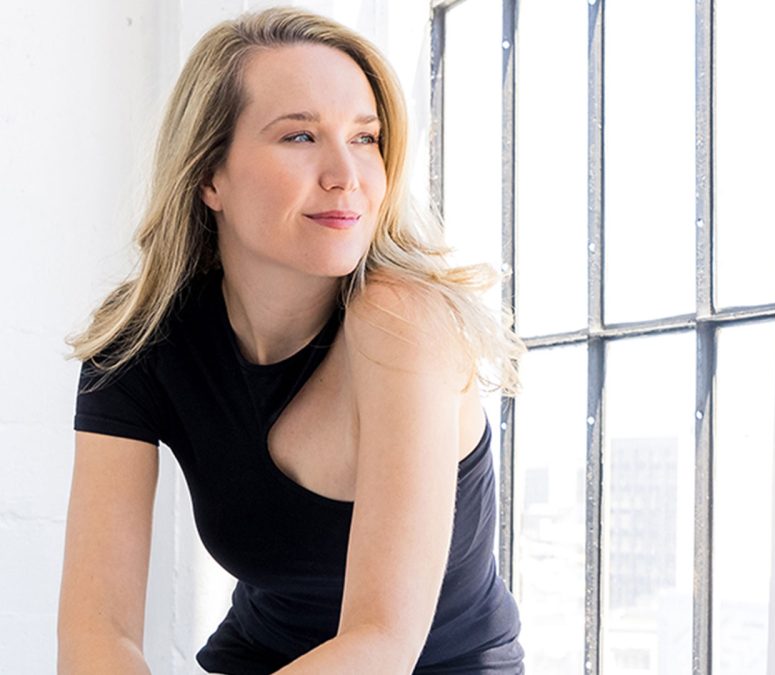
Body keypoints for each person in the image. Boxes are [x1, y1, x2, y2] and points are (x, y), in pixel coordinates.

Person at [56, 6, 527, 674]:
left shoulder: (403, 322)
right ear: (209, 175)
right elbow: (96, 630)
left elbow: (382, 642)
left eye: (365, 138)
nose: (346, 175)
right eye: (301, 136)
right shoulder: (140, 346)